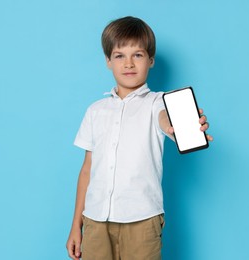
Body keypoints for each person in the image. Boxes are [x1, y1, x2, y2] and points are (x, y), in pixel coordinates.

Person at [66, 16, 213, 260]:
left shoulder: (157, 102)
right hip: (95, 221)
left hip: (142, 221)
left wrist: (177, 127)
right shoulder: (95, 111)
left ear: (151, 60)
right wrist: (75, 225)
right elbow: (86, 170)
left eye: (138, 55)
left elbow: (165, 119)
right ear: (108, 61)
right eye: (119, 55)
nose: (129, 63)